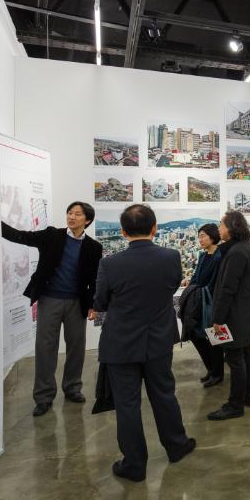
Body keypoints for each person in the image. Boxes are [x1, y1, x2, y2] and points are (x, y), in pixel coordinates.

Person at [90, 204, 195, 482]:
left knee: (127, 404)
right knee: (164, 394)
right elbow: (172, 287)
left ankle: (134, 464)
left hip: (121, 343)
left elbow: (100, 302)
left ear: (123, 232)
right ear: (155, 228)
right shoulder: (171, 257)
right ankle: (176, 445)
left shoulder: (109, 264)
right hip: (159, 339)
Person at [1, 201, 103, 417]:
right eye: (69, 212)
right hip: (50, 300)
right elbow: (22, 236)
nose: (71, 217)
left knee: (76, 347)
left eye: (77, 214)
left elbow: (94, 278)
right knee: (45, 348)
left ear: (87, 220)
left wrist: (94, 304)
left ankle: (72, 388)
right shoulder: (52, 236)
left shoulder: (94, 247)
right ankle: (44, 397)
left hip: (77, 302)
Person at [208, 211, 250, 420]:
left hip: (234, 315)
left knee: (235, 359)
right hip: (245, 313)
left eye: (221, 225)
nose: (219, 228)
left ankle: (235, 404)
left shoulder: (237, 252)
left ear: (231, 228)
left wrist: (218, 319)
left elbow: (228, 289)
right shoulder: (247, 247)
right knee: (246, 354)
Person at [185, 224, 223, 387]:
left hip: (212, 303)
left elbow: (215, 283)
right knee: (197, 335)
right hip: (199, 301)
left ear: (212, 236)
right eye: (199, 236)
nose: (200, 239)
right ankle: (211, 369)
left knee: (215, 340)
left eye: (203, 236)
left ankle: (217, 373)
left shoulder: (219, 257)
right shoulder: (202, 255)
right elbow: (196, 277)